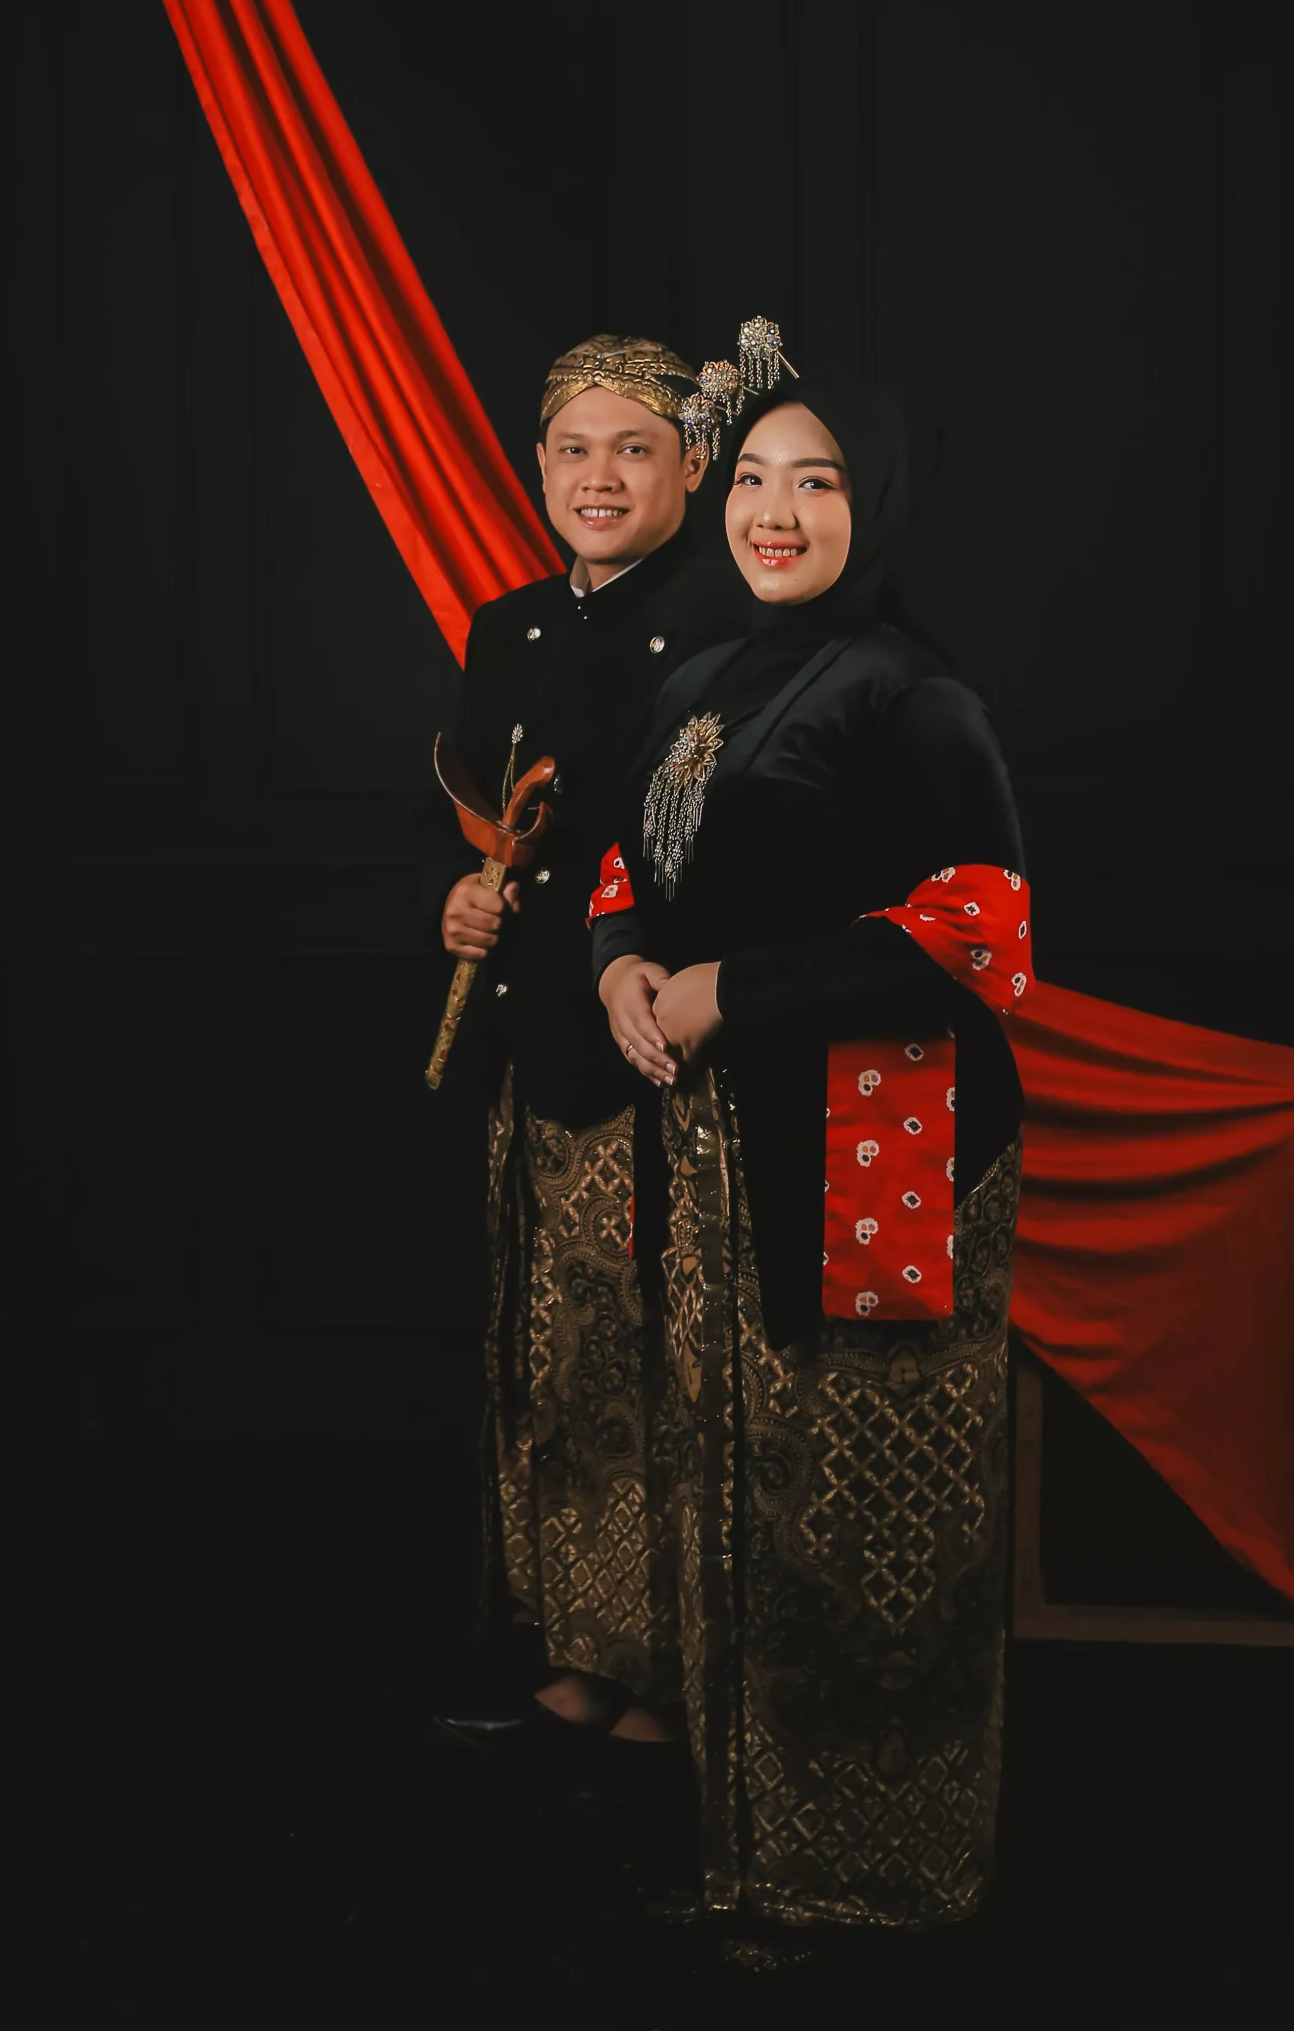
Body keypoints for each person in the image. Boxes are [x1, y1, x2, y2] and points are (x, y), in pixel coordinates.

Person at [591, 376, 1031, 1934]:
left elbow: (979, 936)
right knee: (738, 1491)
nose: (773, 513)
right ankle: (753, 1852)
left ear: (876, 504)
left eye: (818, 482)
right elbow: (626, 861)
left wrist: (731, 991)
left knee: (864, 1519)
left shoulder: (912, 695)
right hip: (724, 1149)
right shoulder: (707, 672)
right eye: (753, 479)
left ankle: (877, 1876)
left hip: (881, 1139)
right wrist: (620, 968)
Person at [432, 333, 738, 1749]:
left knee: (660, 1364)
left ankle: (668, 1674)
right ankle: (577, 1647)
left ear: (695, 465)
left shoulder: (735, 618)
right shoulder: (510, 626)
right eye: (573, 449)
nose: (598, 476)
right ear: (539, 466)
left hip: (663, 1049)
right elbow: (482, 811)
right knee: (556, 1363)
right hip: (533, 1047)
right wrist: (459, 896)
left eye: (634, 448)